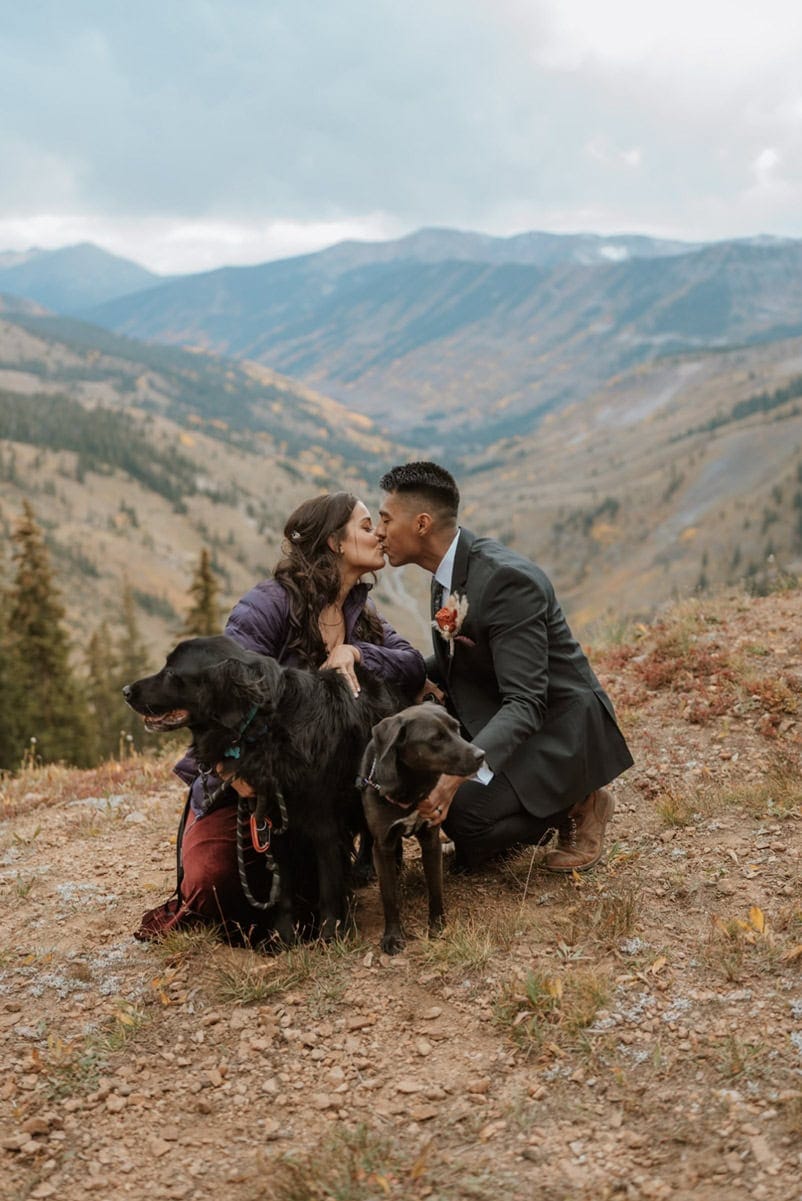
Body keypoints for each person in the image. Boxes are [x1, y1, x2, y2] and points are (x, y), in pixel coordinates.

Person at [136, 491, 425, 943]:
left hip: (320, 794)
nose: (380, 534)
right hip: (244, 781)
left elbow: (411, 663)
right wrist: (233, 774)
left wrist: (357, 651)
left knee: (311, 883)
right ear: (334, 542)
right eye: (367, 526)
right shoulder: (268, 605)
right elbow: (215, 697)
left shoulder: (361, 613)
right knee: (211, 883)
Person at [375, 461, 633, 874]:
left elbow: (527, 702)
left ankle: (581, 801)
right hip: (504, 713)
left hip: (558, 728)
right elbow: (452, 661)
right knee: (452, 805)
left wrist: (455, 778)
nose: (379, 532)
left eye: (386, 519)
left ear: (421, 523)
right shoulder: (446, 575)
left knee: (466, 824)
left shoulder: (506, 582)